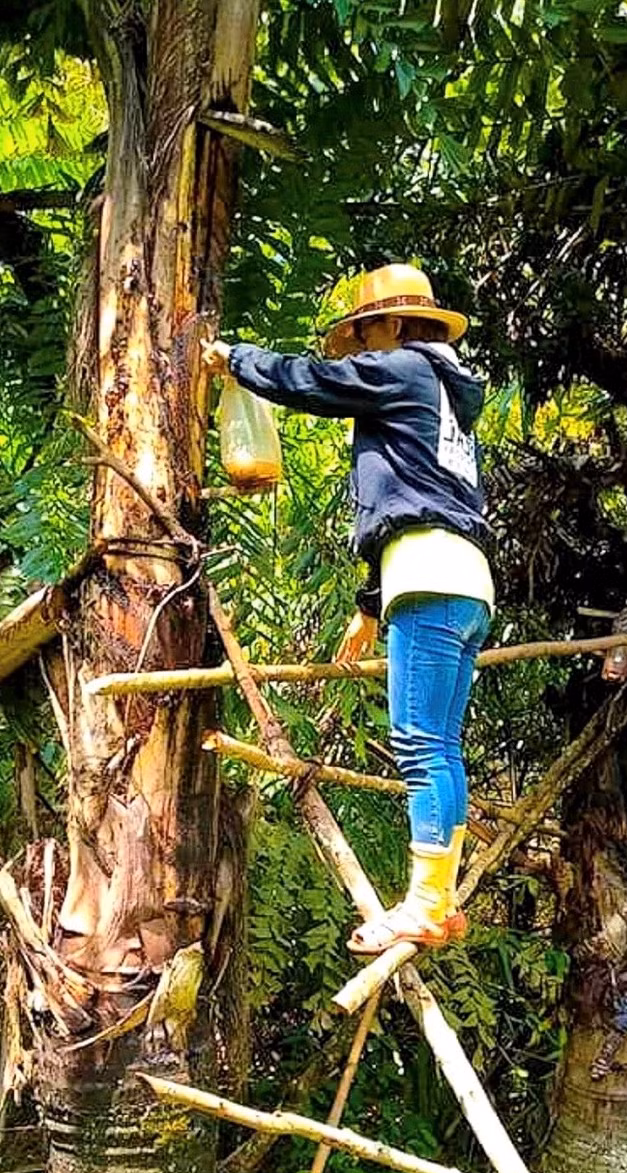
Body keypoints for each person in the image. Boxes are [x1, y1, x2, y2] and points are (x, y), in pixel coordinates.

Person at [203, 263, 495, 955]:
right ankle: (439, 899)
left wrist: (237, 360)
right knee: (441, 748)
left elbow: (317, 384)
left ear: (395, 325)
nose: (362, 353)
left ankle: (424, 904)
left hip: (428, 577)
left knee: (420, 745)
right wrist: (370, 604)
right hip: (465, 580)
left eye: (366, 336)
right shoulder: (446, 396)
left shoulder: (407, 370)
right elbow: (416, 500)